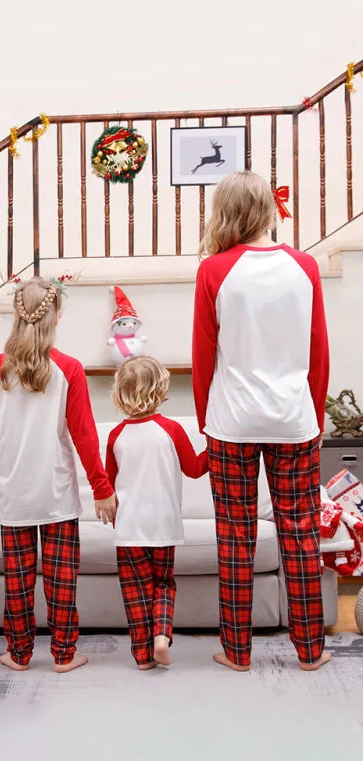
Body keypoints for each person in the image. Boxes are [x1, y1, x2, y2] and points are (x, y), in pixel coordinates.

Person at [192, 171, 330, 672]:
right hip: (294, 420)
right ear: (269, 209)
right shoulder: (305, 267)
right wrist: (312, 418)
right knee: (300, 533)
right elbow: (318, 353)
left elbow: (203, 359)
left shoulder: (214, 271)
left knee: (234, 534)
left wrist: (207, 426)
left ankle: (236, 650)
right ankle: (311, 650)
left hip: (231, 424)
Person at [0, 277, 116, 673]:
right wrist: (102, 488)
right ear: (56, 315)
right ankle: (64, 654)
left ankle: (20, 654)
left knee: (19, 581)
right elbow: (84, 435)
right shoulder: (69, 369)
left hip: (15, 496)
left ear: (16, 315)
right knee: (62, 581)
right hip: (57, 496)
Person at [106, 357, 208, 669]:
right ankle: (161, 637)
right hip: (163, 526)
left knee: (135, 591)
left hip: (128, 529)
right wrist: (215, 447)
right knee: (163, 583)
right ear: (160, 390)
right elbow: (194, 469)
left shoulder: (116, 436)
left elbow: (108, 487)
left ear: (120, 393)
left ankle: (141, 657)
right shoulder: (171, 429)